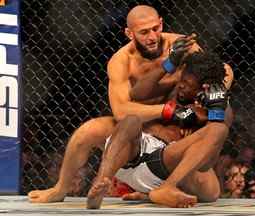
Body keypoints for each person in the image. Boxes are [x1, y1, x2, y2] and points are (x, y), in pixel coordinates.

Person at [28, 5, 233, 203]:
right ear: (129, 33)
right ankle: (60, 189)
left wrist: (212, 94)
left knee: (210, 193)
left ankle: (158, 190)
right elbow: (121, 110)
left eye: (155, 28)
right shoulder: (121, 61)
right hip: (137, 137)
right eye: (144, 32)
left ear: (161, 23)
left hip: (176, 136)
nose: (152, 37)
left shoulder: (183, 46)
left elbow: (220, 70)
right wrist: (169, 110)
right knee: (87, 132)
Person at [86, 51, 234, 208]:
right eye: (182, 79)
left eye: (189, 85)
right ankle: (100, 183)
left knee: (211, 191)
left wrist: (216, 108)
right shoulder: (173, 86)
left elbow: (206, 161)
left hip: (164, 165)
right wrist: (169, 63)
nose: (182, 85)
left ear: (204, 87)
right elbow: (137, 92)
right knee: (131, 120)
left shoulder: (217, 106)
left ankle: (163, 190)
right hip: (133, 152)